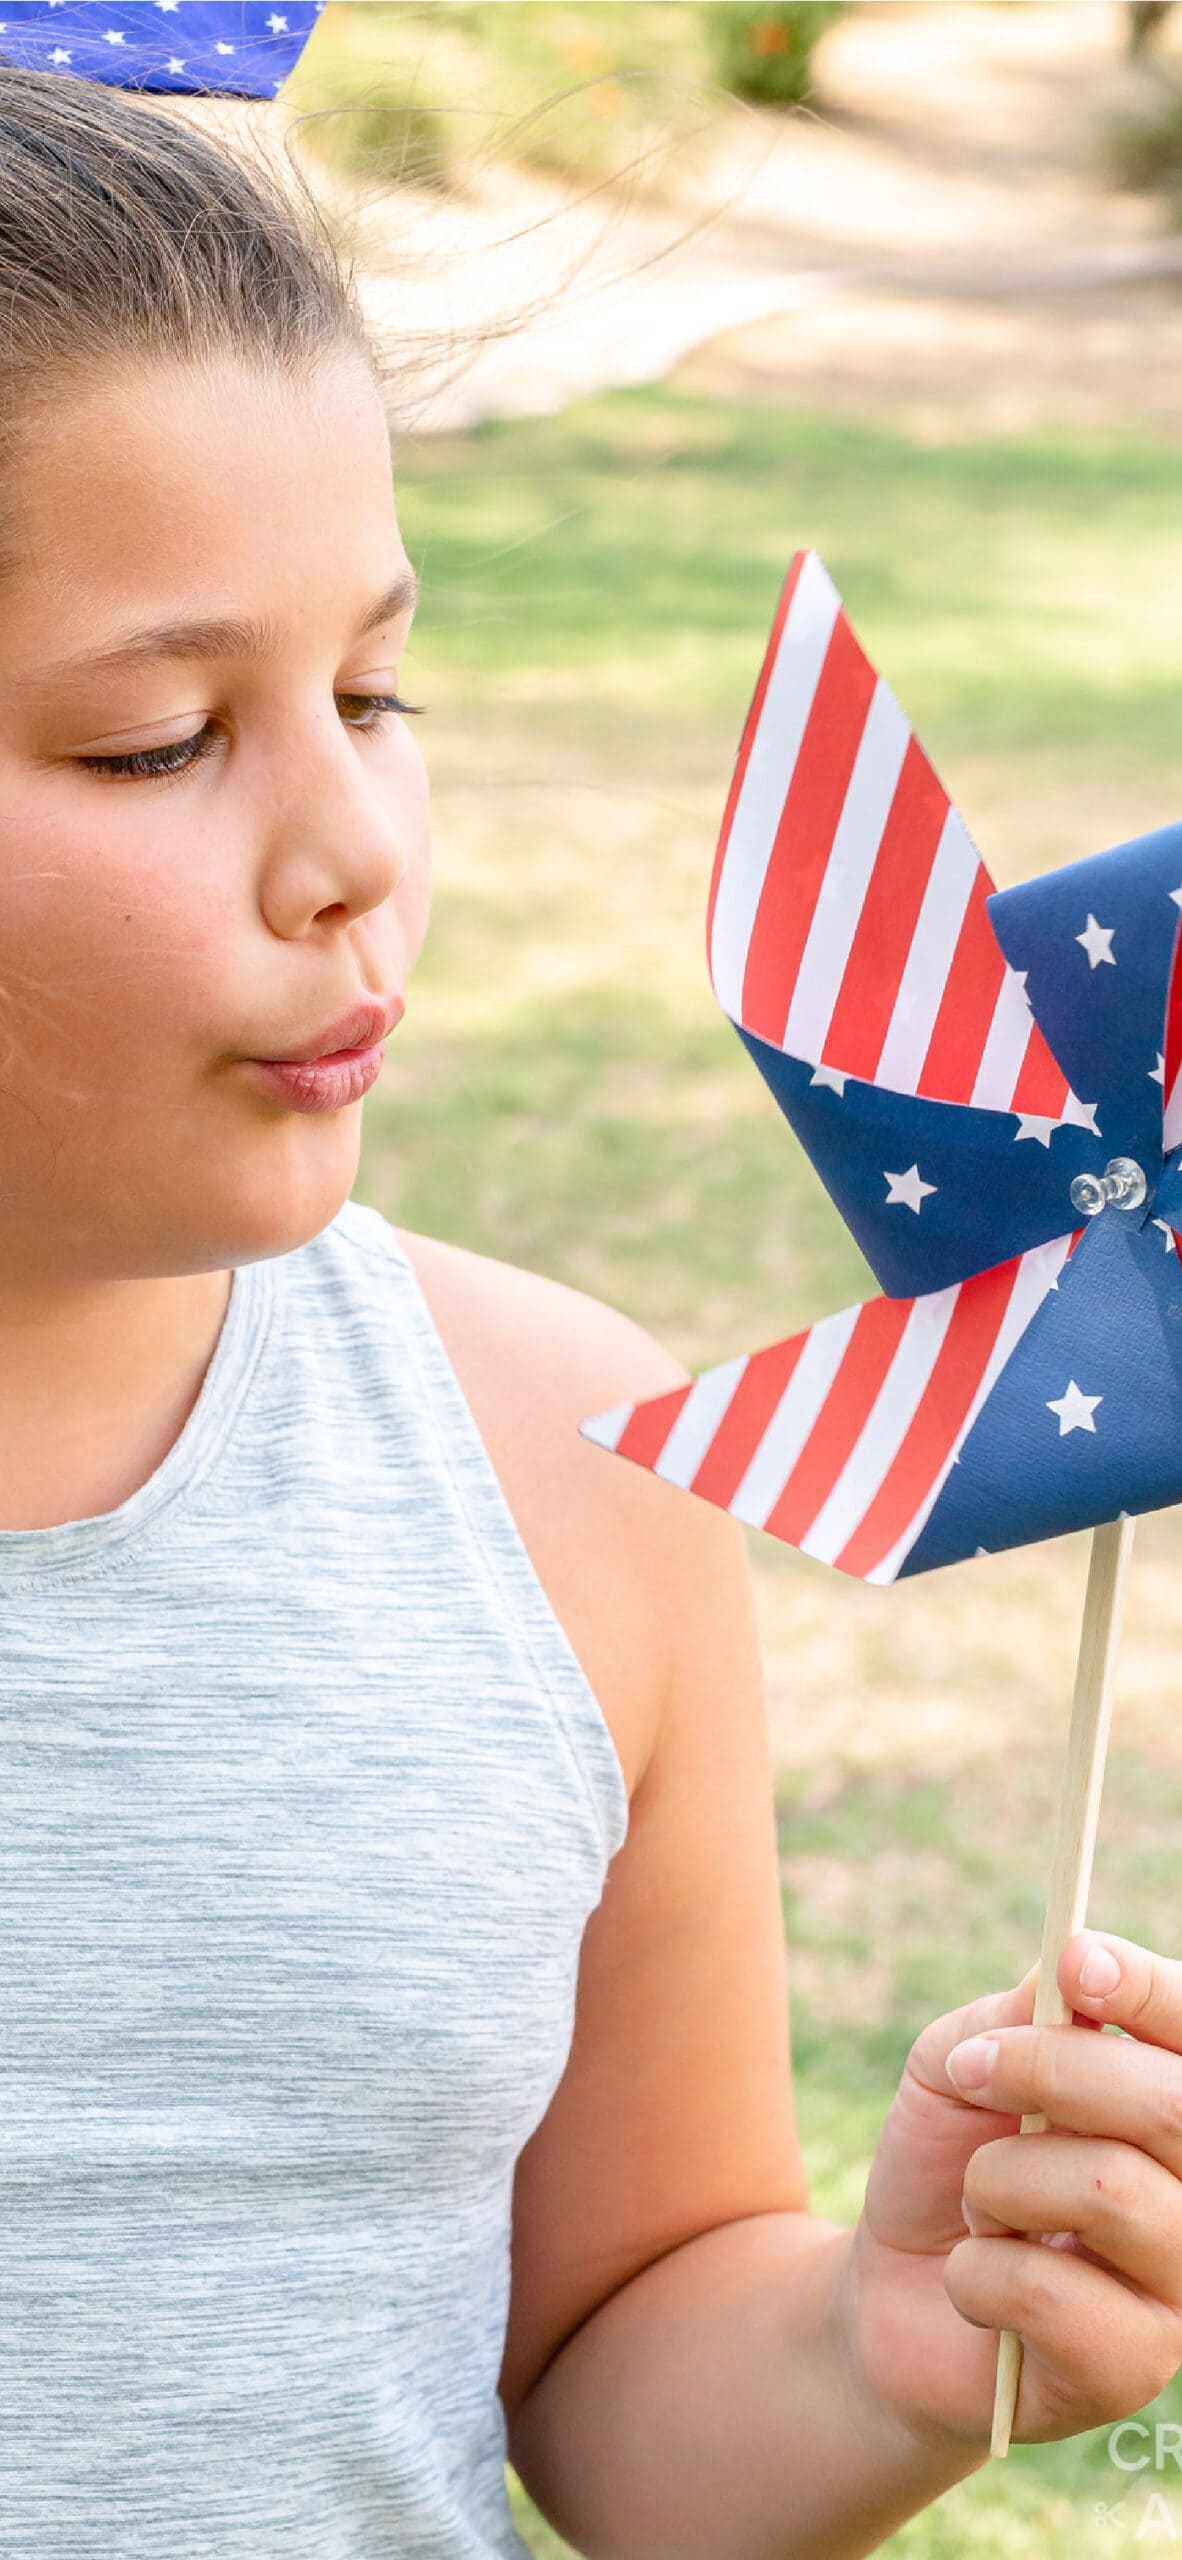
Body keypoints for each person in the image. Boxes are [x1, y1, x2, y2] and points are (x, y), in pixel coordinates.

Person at [0, 61, 1178, 2560]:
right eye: (160, 736)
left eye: (379, 690)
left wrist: (883, 2336)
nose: (354, 847)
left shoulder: (567, 1476)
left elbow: (612, 2350)